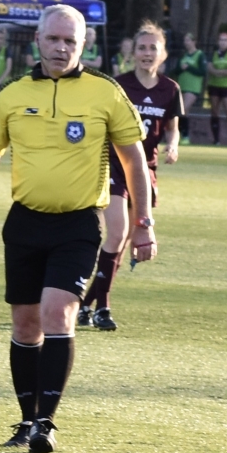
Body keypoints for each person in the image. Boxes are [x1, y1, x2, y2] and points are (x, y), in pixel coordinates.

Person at [0, 4, 152, 453]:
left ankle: (47, 422)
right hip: (25, 222)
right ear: (38, 41)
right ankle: (26, 419)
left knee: (58, 312)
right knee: (26, 326)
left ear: (83, 45)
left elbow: (135, 162)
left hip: (79, 223)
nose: (62, 47)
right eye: (54, 39)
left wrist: (143, 224)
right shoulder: (12, 93)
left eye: (71, 41)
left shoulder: (104, 92)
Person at [79, 21, 179, 331]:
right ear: (132, 53)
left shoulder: (169, 89)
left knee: (122, 243)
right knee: (118, 231)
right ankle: (103, 309)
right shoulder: (117, 84)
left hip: (145, 170)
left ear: (162, 54)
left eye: (153, 48)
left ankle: (83, 305)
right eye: (142, 47)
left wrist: (173, 147)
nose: (147, 53)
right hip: (113, 166)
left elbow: (173, 128)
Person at [205, 30, 227, 145]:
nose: (223, 42)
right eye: (221, 40)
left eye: (225, 40)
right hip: (214, 86)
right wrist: (221, 72)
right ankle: (216, 140)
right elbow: (210, 69)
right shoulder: (213, 54)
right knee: (214, 112)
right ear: (217, 41)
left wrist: (218, 72)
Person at [174, 32, 206, 144]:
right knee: (184, 112)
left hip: (193, 88)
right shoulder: (183, 55)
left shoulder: (199, 54)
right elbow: (176, 70)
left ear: (194, 42)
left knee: (182, 109)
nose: (186, 43)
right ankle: (185, 136)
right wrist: (181, 68)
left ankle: (181, 134)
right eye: (185, 40)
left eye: (188, 40)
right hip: (182, 86)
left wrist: (189, 67)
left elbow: (202, 71)